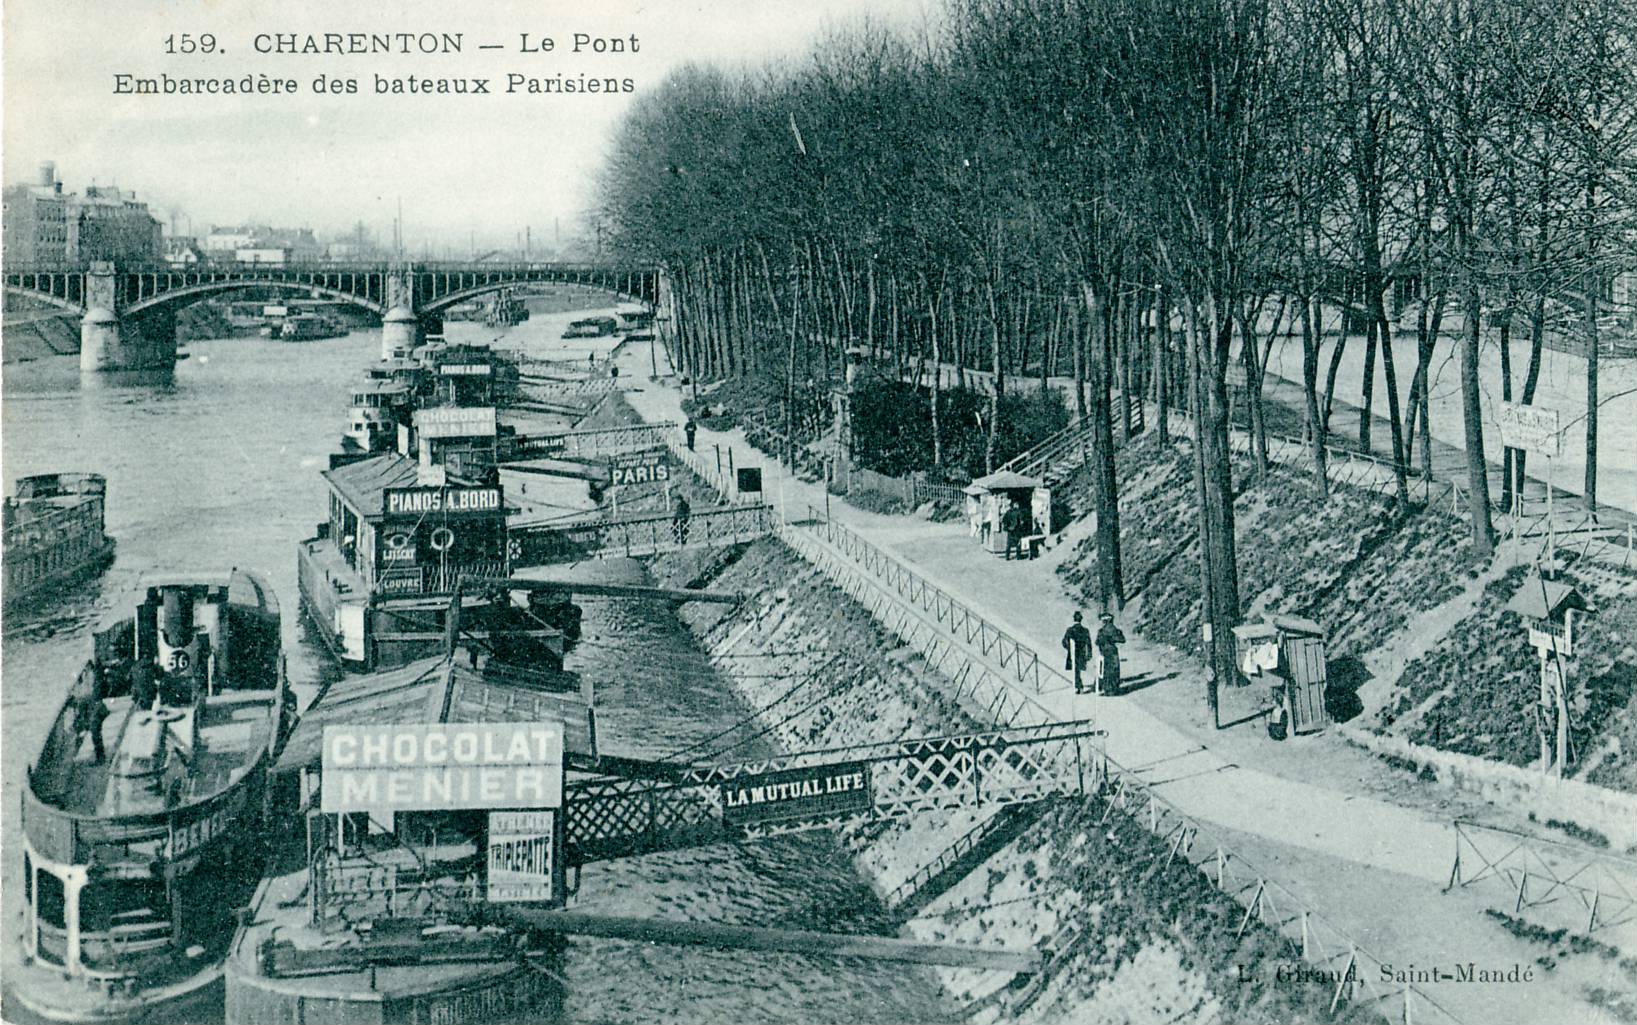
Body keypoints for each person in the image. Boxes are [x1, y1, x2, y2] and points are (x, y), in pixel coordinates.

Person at [72, 666, 109, 762]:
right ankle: (99, 756)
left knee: (94, 731)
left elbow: (87, 697)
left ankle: (100, 757)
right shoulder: (90, 683)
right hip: (95, 708)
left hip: (96, 709)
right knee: (91, 730)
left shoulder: (87, 693)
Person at [1062, 612, 1094, 694]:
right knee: (1078, 670)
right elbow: (1089, 644)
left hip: (1073, 653)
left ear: (1074, 619)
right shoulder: (1085, 630)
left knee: (1075, 670)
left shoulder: (1070, 630)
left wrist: (1069, 648)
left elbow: (1064, 642)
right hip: (1082, 653)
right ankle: (1078, 686)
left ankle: (1078, 686)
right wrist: (1089, 654)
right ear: (1081, 619)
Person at [1096, 613, 1126, 695]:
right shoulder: (1115, 630)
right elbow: (1122, 640)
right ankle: (1114, 689)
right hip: (1113, 651)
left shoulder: (1101, 631)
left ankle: (1107, 689)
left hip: (1105, 651)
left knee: (1106, 670)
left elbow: (1097, 642)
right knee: (1114, 670)